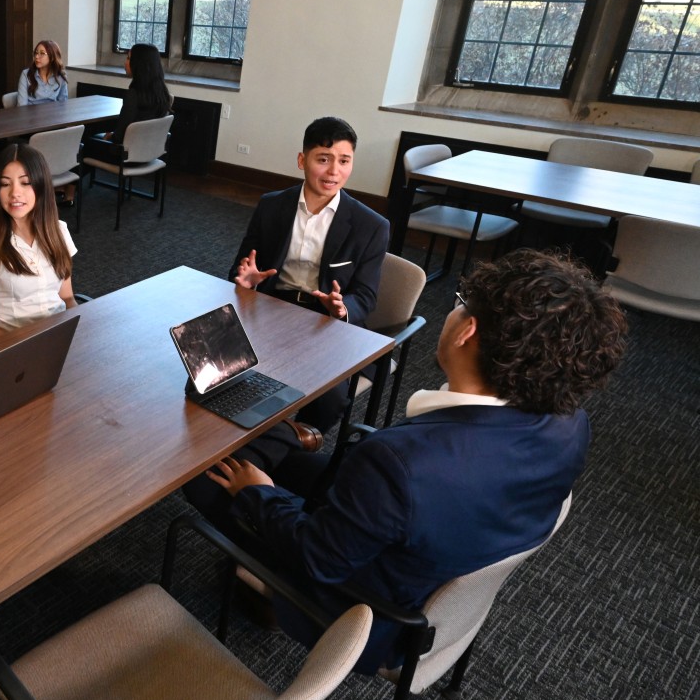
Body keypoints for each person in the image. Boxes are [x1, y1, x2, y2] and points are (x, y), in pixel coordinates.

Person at [190, 249, 627, 670]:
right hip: (446, 547)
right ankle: (284, 444)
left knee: (206, 481)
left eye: (459, 305)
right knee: (286, 464)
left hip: (364, 607)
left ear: (466, 331)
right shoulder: (571, 421)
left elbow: (317, 559)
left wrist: (259, 495)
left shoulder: (400, 463)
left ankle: (263, 596)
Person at [229, 116, 389, 437]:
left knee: (329, 398)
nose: (334, 171)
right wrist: (246, 281)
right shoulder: (272, 206)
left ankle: (290, 442)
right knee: (225, 367)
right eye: (323, 159)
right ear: (302, 160)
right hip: (272, 306)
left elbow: (366, 297)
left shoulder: (370, 225)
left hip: (325, 321)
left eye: (344, 161)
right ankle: (249, 437)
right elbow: (240, 270)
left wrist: (342, 309)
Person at [0, 143, 77, 340]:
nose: (15, 193)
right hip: (15, 345)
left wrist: (78, 328)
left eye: (25, 183)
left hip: (58, 335)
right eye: (5, 184)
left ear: (41, 186)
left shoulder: (59, 231)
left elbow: (67, 298)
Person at [83, 42, 174, 163]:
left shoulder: (133, 95)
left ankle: (71, 180)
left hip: (125, 156)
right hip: (149, 152)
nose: (125, 63)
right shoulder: (163, 95)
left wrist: (111, 135)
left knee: (84, 144)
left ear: (139, 64)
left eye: (128, 58)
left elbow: (119, 136)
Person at [15, 40, 69, 106]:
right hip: (31, 115)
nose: (37, 56)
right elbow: (22, 106)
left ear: (52, 57)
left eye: (42, 53)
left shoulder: (60, 75)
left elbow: (63, 103)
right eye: (36, 53)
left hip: (53, 114)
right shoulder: (26, 74)